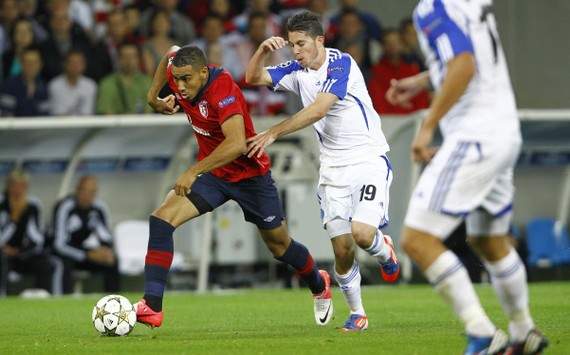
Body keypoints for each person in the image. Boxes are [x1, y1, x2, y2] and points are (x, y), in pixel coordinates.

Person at [386, 1, 549, 354]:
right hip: (505, 132)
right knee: (488, 240)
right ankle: (523, 331)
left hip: (475, 135)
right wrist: (421, 81)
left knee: (417, 239)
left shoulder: (432, 8)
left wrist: (426, 127)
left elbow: (464, 64)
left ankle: (482, 332)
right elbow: (468, 56)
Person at [134, 44, 333, 329]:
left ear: (203, 72)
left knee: (280, 246)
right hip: (214, 174)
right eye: (175, 79)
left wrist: (192, 171)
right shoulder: (179, 69)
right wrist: (153, 97)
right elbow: (168, 53)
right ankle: (152, 307)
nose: (178, 86)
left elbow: (237, 143)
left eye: (185, 79)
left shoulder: (222, 88)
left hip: (249, 176)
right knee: (162, 219)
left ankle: (318, 281)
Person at [245, 11, 399, 332]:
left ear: (319, 40)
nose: (296, 51)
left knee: (362, 234)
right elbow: (253, 79)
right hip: (332, 170)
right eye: (291, 45)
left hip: (368, 159)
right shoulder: (296, 69)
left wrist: (274, 131)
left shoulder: (341, 63)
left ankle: (384, 252)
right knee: (342, 249)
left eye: (301, 44)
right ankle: (358, 314)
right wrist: (261, 51)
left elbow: (319, 108)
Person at [52, 176, 119, 294]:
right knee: (64, 263)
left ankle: (113, 303)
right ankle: (62, 301)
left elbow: (105, 236)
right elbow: (59, 245)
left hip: (83, 251)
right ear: (77, 190)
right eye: (84, 191)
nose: (87, 196)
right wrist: (86, 255)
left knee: (111, 261)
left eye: (92, 192)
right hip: (63, 252)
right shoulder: (65, 207)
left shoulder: (99, 208)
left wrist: (105, 251)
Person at [0, 169, 54, 296]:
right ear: (8, 186)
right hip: (3, 253)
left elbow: (38, 238)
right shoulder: (1, 204)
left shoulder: (33, 205)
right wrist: (14, 219)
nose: (18, 190)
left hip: (23, 253)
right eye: (14, 185)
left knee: (45, 263)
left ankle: (44, 298)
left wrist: (21, 251)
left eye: (22, 186)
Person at [96, 43, 152, 115]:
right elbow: (106, 112)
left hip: (141, 125)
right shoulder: (107, 83)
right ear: (118, 59)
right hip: (115, 125)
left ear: (138, 59)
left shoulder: (147, 81)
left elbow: (148, 112)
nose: (129, 61)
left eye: (132, 56)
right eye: (125, 57)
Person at [48, 50, 97, 116]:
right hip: (61, 125)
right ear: (65, 64)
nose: (75, 66)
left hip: (84, 125)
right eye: (72, 62)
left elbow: (87, 114)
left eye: (78, 63)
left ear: (84, 65)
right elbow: (57, 114)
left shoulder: (90, 85)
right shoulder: (55, 85)